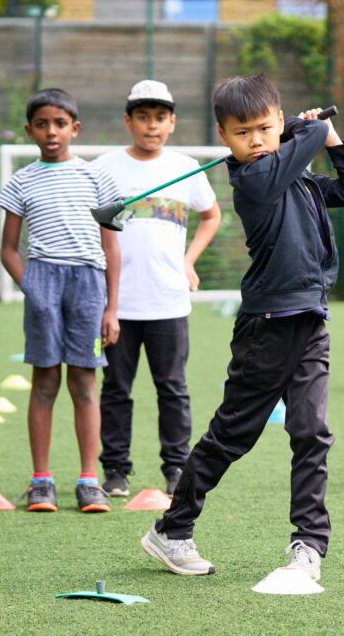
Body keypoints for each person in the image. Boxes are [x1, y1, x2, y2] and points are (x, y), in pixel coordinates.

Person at [140, 75, 344, 578]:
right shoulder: (253, 182)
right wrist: (302, 129)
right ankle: (172, 529)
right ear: (224, 136)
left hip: (309, 320)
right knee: (231, 437)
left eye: (266, 128)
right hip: (266, 328)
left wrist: (329, 137)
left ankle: (308, 543)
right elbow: (282, 160)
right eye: (243, 132)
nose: (258, 140)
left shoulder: (299, 179)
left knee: (312, 433)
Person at [0, 88, 122, 513]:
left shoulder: (96, 178)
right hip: (43, 281)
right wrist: (31, 287)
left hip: (88, 287)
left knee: (85, 383)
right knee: (45, 382)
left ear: (75, 129)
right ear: (30, 130)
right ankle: (41, 481)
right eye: (43, 124)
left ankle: (89, 481)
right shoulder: (21, 181)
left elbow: (111, 249)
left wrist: (110, 308)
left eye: (61, 124)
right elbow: (9, 250)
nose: (52, 132)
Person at [94, 80, 221, 499]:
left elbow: (211, 216)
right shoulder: (103, 168)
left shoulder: (185, 167)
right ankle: (114, 470)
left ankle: (176, 466)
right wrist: (104, 299)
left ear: (172, 123)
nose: (152, 126)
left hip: (168, 300)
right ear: (128, 121)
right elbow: (92, 228)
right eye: (143, 117)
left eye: (161, 117)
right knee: (115, 388)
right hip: (118, 304)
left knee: (172, 387)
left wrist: (187, 261)